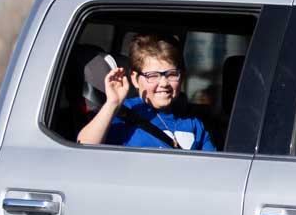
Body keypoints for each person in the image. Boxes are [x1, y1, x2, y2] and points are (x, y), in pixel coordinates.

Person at [76, 34, 215, 151]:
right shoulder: (122, 114)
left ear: (182, 77)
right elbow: (83, 148)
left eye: (172, 74)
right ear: (135, 79)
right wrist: (112, 103)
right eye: (152, 75)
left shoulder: (193, 123)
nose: (164, 83)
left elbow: (211, 169)